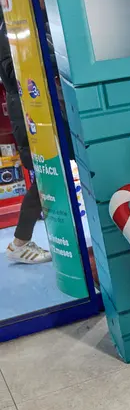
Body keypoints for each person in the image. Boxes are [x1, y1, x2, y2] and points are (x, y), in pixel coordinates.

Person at [0, 14, 50, 264]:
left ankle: (21, 240)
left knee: (48, 174)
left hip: (35, 106)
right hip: (26, 110)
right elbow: (11, 71)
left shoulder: (29, 23)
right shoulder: (8, 28)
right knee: (43, 174)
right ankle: (20, 242)